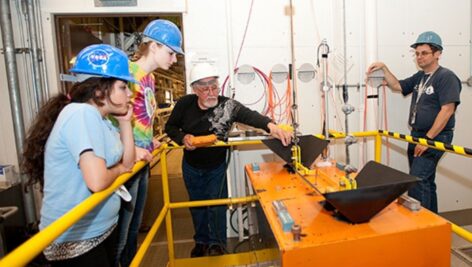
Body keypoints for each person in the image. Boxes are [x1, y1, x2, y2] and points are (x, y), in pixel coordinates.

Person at [21, 44, 137, 266]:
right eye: (123, 87)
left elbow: (128, 162)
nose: (129, 93)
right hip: (76, 240)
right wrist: (120, 169)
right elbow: (97, 180)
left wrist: (125, 123)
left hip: (99, 229)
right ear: (99, 91)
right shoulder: (81, 114)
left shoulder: (101, 119)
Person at [165, 62, 292, 257]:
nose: (211, 92)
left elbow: (251, 116)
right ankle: (201, 242)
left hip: (216, 167)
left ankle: (217, 244)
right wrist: (183, 138)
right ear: (195, 90)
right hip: (191, 165)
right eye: (205, 88)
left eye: (214, 87)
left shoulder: (227, 106)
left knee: (217, 205)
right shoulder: (184, 104)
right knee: (196, 205)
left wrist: (273, 127)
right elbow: (170, 128)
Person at [367, 31, 461, 213]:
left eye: (424, 53)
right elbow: (398, 86)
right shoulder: (420, 77)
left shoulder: (446, 77)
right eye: (417, 54)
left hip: (435, 136)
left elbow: (448, 110)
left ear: (437, 54)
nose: (419, 57)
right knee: (425, 181)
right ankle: (433, 224)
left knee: (417, 179)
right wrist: (385, 69)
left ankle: (422, 225)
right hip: (417, 135)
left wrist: (428, 139)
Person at [115, 19, 184, 267]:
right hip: (126, 160)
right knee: (120, 235)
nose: (174, 60)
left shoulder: (150, 79)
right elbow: (112, 120)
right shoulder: (127, 73)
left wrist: (148, 140)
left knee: (134, 229)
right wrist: (130, 147)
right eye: (171, 52)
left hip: (142, 160)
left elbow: (140, 118)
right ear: (153, 46)